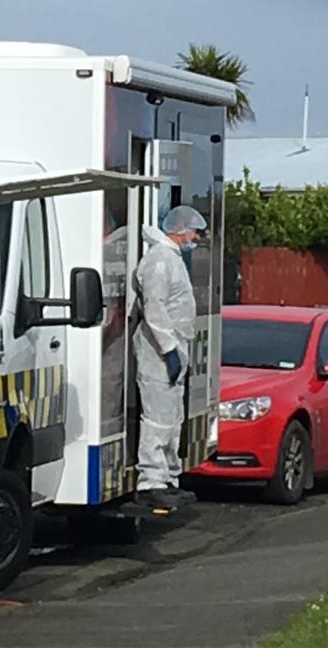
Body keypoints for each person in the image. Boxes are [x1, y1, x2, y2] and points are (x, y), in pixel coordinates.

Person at [132, 205, 207, 508]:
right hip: (157, 352)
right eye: (195, 232)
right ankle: (150, 480)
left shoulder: (171, 259)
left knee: (172, 417)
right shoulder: (160, 260)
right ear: (179, 229)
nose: (196, 239)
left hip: (174, 348)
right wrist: (168, 348)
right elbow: (155, 308)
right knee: (158, 418)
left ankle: (167, 478)